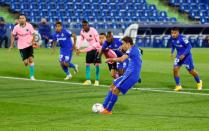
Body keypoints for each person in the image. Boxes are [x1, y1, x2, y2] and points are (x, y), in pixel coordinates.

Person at [100, 36, 142, 115]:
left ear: (128, 43)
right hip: (127, 74)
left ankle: (108, 110)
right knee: (113, 85)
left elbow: (122, 59)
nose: (122, 45)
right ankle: (104, 106)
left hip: (131, 76)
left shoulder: (132, 50)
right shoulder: (135, 48)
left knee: (116, 90)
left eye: (123, 43)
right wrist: (123, 49)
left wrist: (110, 59)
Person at [9, 14, 36, 80]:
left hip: (29, 45)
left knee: (31, 59)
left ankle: (32, 76)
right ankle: (25, 62)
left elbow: (33, 34)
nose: (21, 19)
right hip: (21, 47)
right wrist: (12, 44)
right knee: (26, 63)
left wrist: (32, 41)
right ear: (19, 20)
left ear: (25, 19)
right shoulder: (16, 27)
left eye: (23, 18)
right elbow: (12, 35)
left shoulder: (29, 26)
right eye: (20, 18)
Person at [76, 20, 101, 86]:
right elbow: (81, 40)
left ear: (88, 25)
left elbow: (98, 41)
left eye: (85, 25)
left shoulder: (93, 30)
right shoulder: (82, 31)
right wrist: (78, 48)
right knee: (87, 64)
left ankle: (97, 81)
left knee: (97, 65)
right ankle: (88, 80)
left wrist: (96, 47)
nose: (84, 27)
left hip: (96, 49)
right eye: (83, 25)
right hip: (90, 49)